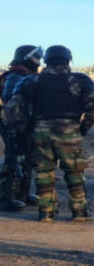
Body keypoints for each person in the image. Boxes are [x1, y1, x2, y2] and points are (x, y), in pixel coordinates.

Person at [3, 45, 94, 221]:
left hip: (40, 132)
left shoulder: (30, 81)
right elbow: (93, 106)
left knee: (44, 172)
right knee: (75, 171)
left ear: (46, 60)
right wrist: (83, 127)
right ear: (68, 60)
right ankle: (79, 211)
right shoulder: (80, 80)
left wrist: (26, 128)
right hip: (70, 130)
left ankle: (46, 212)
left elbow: (11, 109)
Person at [0, 45, 42, 211]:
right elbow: (11, 104)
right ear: (26, 58)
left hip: (25, 124)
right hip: (14, 125)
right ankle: (5, 197)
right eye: (36, 58)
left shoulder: (25, 75)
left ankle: (22, 194)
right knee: (13, 160)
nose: (38, 61)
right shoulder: (15, 76)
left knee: (27, 160)